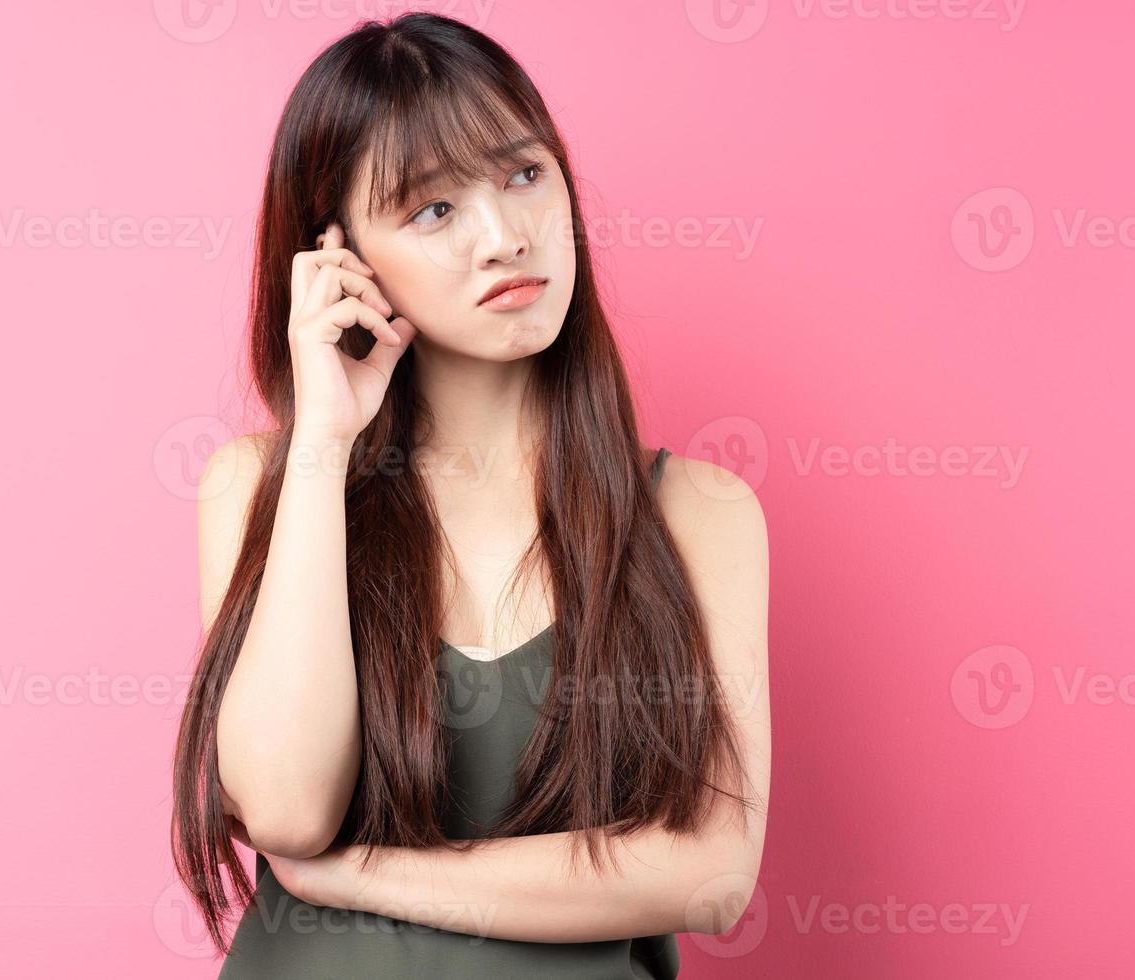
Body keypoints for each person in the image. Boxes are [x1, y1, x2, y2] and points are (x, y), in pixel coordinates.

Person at [171, 12, 771, 978]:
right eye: (432, 209)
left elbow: (710, 872)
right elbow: (286, 810)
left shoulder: (701, 513)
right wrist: (324, 442)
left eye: (524, 175)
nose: (504, 238)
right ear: (339, 258)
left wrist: (363, 875)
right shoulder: (261, 487)